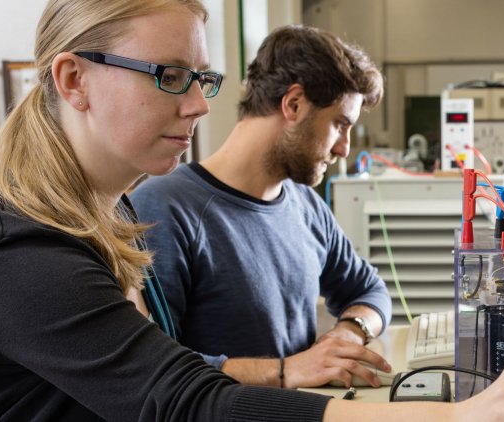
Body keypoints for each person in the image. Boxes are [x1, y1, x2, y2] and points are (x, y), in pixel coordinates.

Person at [0, 0, 504, 420]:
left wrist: (346, 338)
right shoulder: (18, 249)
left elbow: (158, 372)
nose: (200, 106)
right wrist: (454, 416)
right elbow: (178, 395)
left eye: (201, 79)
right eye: (169, 75)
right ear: (74, 81)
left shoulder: (110, 212)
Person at [129, 25, 393, 389]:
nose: (343, 148)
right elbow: (149, 371)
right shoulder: (163, 209)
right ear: (294, 104)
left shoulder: (305, 206)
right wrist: (286, 372)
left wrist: (348, 334)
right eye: (339, 125)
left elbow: (369, 291)